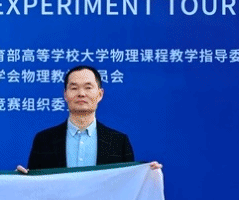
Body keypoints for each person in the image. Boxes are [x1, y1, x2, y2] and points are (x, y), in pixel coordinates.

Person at [23, 65, 156, 171]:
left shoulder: (119, 142)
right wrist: (22, 178)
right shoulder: (44, 140)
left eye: (88, 87)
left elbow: (128, 184)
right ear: (65, 94)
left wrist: (148, 175)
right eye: (74, 88)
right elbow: (35, 185)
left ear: (100, 94)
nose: (81, 93)